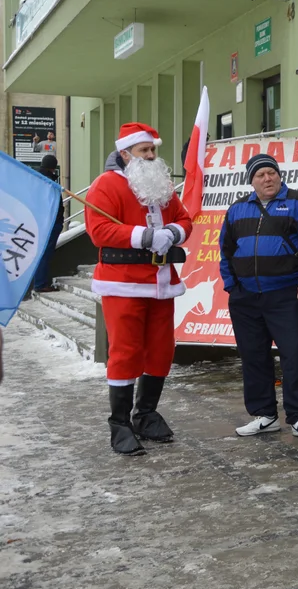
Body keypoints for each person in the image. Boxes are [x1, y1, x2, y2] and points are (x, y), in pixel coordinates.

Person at [85, 122, 193, 456]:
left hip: (161, 283)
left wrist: (174, 232)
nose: (150, 156)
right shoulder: (106, 185)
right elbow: (99, 230)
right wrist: (144, 236)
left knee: (161, 350)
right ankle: (119, 423)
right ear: (125, 153)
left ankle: (145, 413)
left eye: (153, 150)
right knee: (126, 351)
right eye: (144, 150)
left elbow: (186, 219)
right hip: (122, 284)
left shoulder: (162, 188)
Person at [220, 153, 298, 441]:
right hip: (245, 298)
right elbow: (225, 250)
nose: (267, 178)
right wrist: (232, 286)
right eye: (260, 175)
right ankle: (264, 415)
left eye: (271, 173)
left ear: (279, 175)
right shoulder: (237, 210)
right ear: (251, 181)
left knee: (295, 356)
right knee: (254, 357)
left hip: (287, 295)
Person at [32, 154, 65, 293]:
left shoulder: (35, 179)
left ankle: (40, 282)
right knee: (45, 253)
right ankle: (40, 284)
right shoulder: (49, 182)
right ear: (53, 167)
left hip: (40, 222)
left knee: (41, 252)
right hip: (50, 223)